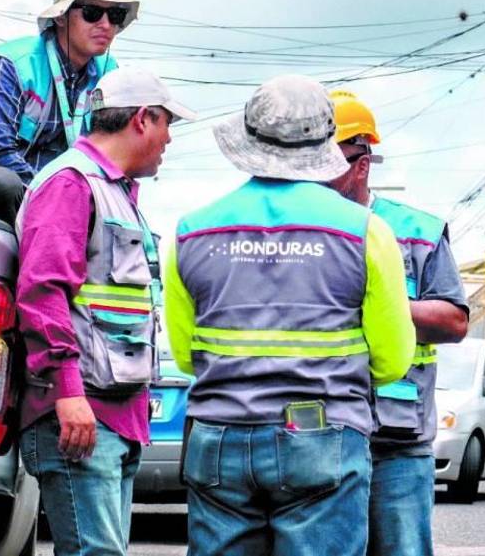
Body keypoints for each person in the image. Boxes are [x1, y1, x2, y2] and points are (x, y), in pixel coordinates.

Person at [164, 75, 415, 556]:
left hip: (219, 441)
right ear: (326, 143)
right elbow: (392, 360)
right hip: (323, 439)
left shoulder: (188, 233)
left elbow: (184, 355)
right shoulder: (366, 232)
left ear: (248, 139)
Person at [15, 65, 195, 556]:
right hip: (79, 415)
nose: (169, 140)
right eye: (167, 125)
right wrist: (67, 393)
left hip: (114, 417)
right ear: (142, 119)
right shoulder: (72, 185)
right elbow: (42, 292)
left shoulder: (114, 192)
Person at [327, 90, 468, 556]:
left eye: (329, 161)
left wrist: (380, 305)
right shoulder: (304, 230)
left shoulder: (416, 232)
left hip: (397, 441)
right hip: (318, 435)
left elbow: (453, 320)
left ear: (361, 164)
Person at [0, 0, 140, 224]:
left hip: (66, 199)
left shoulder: (110, 76)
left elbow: (112, 156)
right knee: (1, 183)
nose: (106, 24)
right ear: (61, 17)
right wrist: (54, 195)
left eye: (116, 14)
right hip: (5, 193)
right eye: (92, 12)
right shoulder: (11, 63)